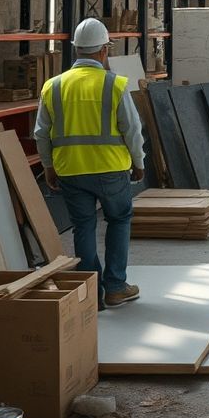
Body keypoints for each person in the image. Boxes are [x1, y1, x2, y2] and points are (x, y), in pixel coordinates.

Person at [34, 18, 145, 309]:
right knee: (118, 221)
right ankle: (116, 287)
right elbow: (132, 130)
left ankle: (90, 294)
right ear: (104, 51)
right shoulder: (115, 85)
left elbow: (41, 134)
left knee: (82, 228)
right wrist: (139, 162)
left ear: (76, 50)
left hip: (71, 170)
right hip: (111, 169)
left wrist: (48, 166)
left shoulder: (53, 87)